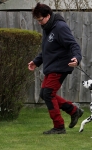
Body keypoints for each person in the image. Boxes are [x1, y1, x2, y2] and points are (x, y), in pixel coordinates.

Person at [28, 2, 83, 134]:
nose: (39, 23)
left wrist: (77, 58)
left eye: (40, 20)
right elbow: (48, 50)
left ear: (48, 16)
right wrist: (36, 61)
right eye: (37, 20)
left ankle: (59, 127)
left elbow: (73, 44)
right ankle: (74, 111)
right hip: (52, 66)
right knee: (44, 94)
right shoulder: (48, 28)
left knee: (48, 93)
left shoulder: (60, 27)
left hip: (61, 66)